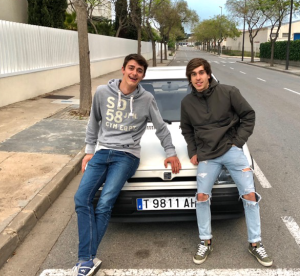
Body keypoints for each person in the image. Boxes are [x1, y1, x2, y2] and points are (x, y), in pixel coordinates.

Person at [72, 54, 182, 276]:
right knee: (80, 199)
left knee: (104, 202)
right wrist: (89, 151)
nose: (134, 73)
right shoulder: (102, 92)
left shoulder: (147, 99)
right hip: (103, 152)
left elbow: (161, 128)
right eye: (131, 68)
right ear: (123, 69)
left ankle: (85, 259)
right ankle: (88, 257)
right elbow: (93, 122)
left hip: (127, 156)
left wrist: (171, 152)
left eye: (139, 70)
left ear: (142, 75)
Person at [180, 58, 273, 267]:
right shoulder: (187, 103)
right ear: (190, 78)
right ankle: (206, 240)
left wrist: (238, 142)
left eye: (201, 73)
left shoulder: (229, 92)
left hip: (231, 150)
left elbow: (248, 115)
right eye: (193, 74)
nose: (197, 77)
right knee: (202, 196)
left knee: (249, 194)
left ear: (208, 74)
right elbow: (187, 130)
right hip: (207, 154)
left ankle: (255, 244)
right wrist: (193, 151)